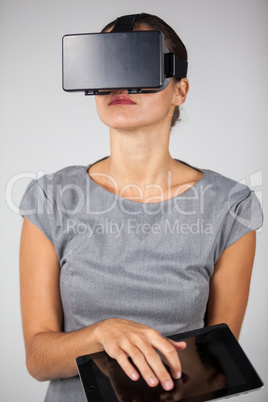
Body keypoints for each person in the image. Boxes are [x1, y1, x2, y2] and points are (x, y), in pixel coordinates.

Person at [19, 12, 263, 402]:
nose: (120, 83)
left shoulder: (230, 206)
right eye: (108, 66)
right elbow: (38, 359)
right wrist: (101, 334)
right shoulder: (51, 197)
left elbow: (219, 361)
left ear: (180, 90)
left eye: (139, 64)